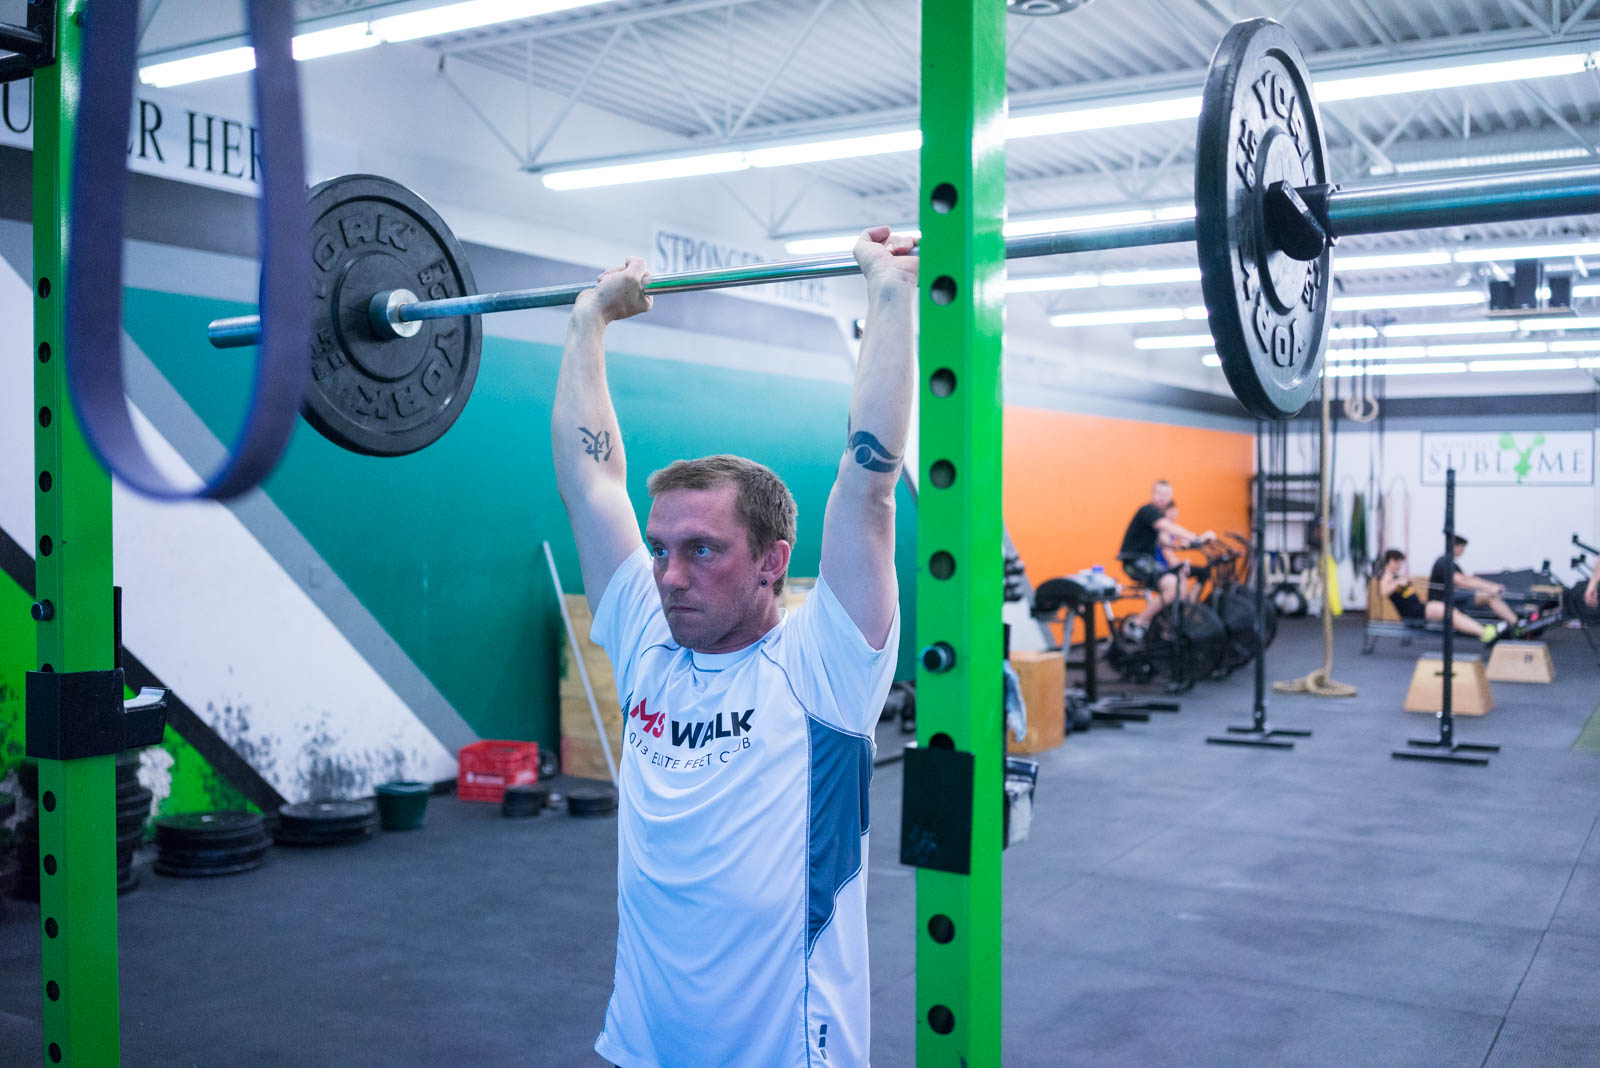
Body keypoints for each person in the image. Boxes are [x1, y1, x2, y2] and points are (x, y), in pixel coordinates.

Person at [552, 226, 915, 1068]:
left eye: (703, 550)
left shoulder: (824, 668)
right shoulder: (649, 639)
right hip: (645, 1043)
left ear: (772, 563)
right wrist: (587, 323)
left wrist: (890, 295)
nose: (669, 576)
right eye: (661, 549)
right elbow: (590, 483)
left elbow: (868, 489)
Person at [1117, 480, 1215, 641]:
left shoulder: (1158, 517)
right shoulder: (1147, 511)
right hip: (1134, 562)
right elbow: (1168, 527)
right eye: (1159, 493)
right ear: (1152, 494)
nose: (1162, 497)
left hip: (1147, 562)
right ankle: (1138, 623)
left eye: (1166, 494)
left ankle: (1169, 626)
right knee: (1173, 585)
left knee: (1180, 585)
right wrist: (1197, 537)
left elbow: (1165, 541)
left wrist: (1189, 544)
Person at [1378, 549, 1510, 644]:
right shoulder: (1386, 577)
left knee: (1450, 611)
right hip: (1412, 613)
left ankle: (1484, 631)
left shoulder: (1395, 576)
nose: (1400, 565)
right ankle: (1484, 633)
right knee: (1447, 610)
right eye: (1399, 562)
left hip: (1419, 607)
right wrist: (1398, 582)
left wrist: (1402, 580)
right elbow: (1383, 592)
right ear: (1392, 561)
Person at [1427, 535, 1520, 628]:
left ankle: (1514, 624)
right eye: (1462, 547)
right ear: (1458, 547)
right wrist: (1489, 588)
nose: (1463, 551)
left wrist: (1490, 586)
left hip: (1454, 599)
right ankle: (1516, 625)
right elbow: (1462, 581)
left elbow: (1468, 580)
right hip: (1443, 603)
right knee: (1489, 596)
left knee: (1487, 595)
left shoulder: (1451, 563)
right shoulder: (1443, 561)